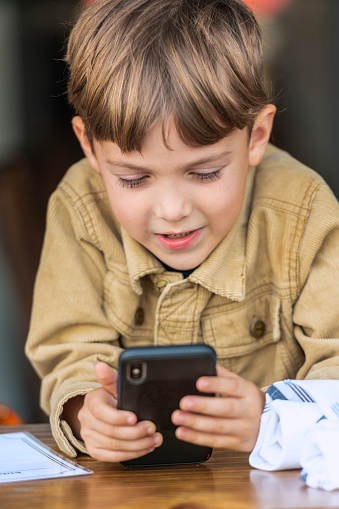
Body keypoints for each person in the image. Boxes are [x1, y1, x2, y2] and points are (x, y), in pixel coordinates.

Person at [25, 0, 339, 464]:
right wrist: (84, 411)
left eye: (205, 173)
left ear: (256, 136)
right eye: (134, 179)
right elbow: (67, 352)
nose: (172, 210)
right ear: (88, 145)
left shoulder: (303, 209)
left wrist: (272, 418)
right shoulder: (79, 207)